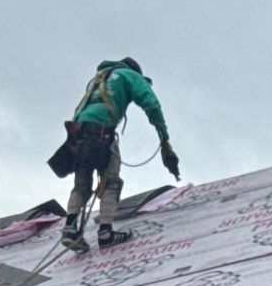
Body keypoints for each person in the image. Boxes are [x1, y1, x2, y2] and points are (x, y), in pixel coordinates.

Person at [49, 57, 179, 251]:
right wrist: (164, 138)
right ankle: (106, 233)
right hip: (102, 132)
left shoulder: (99, 78)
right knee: (111, 182)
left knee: (81, 183)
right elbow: (151, 104)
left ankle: (70, 229)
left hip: (79, 132)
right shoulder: (130, 76)